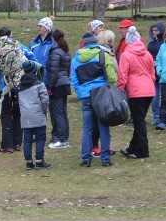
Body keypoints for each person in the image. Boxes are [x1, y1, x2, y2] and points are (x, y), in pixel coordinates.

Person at [0, 28, 36, 153]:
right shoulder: (20, 47)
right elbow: (33, 59)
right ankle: (18, 142)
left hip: (5, 87)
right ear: (10, 35)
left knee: (6, 115)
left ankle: (7, 145)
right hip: (19, 85)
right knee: (18, 113)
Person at [72, 30, 117, 167]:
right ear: (96, 43)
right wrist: (109, 87)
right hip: (101, 94)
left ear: (84, 44)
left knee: (87, 128)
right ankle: (105, 159)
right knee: (103, 126)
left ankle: (86, 159)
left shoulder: (76, 59)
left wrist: (81, 93)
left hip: (86, 96)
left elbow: (74, 80)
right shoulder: (103, 55)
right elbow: (111, 77)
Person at [116, 27, 155, 159]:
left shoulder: (126, 55)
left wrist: (120, 89)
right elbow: (152, 73)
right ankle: (132, 147)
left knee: (139, 121)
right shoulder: (147, 54)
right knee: (140, 120)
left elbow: (122, 75)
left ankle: (142, 150)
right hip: (149, 90)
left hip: (136, 90)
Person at [18, 61, 51, 170]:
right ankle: (39, 161)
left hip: (25, 117)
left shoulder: (19, 86)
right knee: (40, 138)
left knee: (27, 140)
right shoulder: (39, 84)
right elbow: (45, 100)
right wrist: (43, 110)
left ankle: (28, 162)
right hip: (38, 114)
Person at [47, 29, 71, 149]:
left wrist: (50, 86)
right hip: (65, 83)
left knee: (57, 113)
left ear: (53, 39)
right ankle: (64, 137)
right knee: (63, 112)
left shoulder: (55, 52)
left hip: (57, 85)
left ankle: (61, 139)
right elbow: (67, 70)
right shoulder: (65, 52)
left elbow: (54, 72)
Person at [146, 23, 166, 127]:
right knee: (154, 96)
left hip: (163, 73)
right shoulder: (151, 43)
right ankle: (156, 117)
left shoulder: (165, 44)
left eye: (156, 30)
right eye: (153, 30)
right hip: (152, 73)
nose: (154, 32)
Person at [29, 17, 55, 87]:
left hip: (47, 77)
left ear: (47, 28)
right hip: (33, 77)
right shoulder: (33, 43)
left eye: (40, 26)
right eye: (38, 26)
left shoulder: (53, 44)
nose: (38, 28)